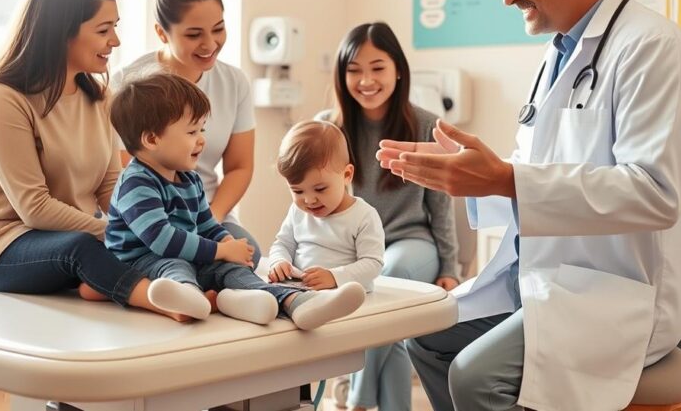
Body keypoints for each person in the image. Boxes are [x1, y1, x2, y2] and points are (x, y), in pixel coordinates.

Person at [377, 0, 681, 411]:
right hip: (544, 279)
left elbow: (655, 193)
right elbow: (541, 173)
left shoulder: (655, 49)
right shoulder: (557, 52)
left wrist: (505, 179)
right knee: (425, 335)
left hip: (618, 295)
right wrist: (482, 172)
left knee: (474, 376)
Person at [0, 0, 198, 322]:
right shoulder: (0, 100)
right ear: (60, 33)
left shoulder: (99, 97)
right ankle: (165, 302)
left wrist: (148, 225)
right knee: (82, 249)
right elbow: (33, 208)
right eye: (103, 30)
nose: (115, 40)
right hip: (8, 248)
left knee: (167, 241)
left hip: (83, 235)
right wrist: (117, 234)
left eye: (115, 26)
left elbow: (109, 185)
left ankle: (199, 288)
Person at [105, 72, 367, 330]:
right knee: (176, 265)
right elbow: (162, 240)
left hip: (185, 258)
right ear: (152, 139)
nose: (201, 139)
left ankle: (295, 302)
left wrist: (227, 243)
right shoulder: (136, 183)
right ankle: (187, 296)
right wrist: (220, 250)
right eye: (191, 131)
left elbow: (206, 224)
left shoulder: (189, 179)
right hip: (141, 263)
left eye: (202, 129)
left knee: (230, 267)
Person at [317, 21, 459, 411]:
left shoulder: (428, 125)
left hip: (412, 244)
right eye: (354, 69)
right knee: (393, 332)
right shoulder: (328, 127)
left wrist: (450, 265)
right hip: (352, 249)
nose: (366, 80)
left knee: (384, 278)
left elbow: (441, 206)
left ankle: (358, 401)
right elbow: (311, 204)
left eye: (377, 67)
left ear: (398, 69)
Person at [111, 0, 261, 264]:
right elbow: (127, 167)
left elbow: (239, 167)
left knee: (250, 254)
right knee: (175, 261)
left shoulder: (234, 83)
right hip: (149, 216)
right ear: (162, 33)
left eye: (218, 28)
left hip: (208, 214)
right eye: (194, 34)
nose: (210, 44)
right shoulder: (130, 84)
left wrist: (212, 220)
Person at [267, 120, 385, 293]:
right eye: (297, 191)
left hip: (344, 293)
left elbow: (373, 263)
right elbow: (282, 244)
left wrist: (334, 277)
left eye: (320, 189)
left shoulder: (363, 215)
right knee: (263, 291)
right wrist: (279, 261)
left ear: (346, 175)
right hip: (300, 289)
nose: (309, 200)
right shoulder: (297, 211)